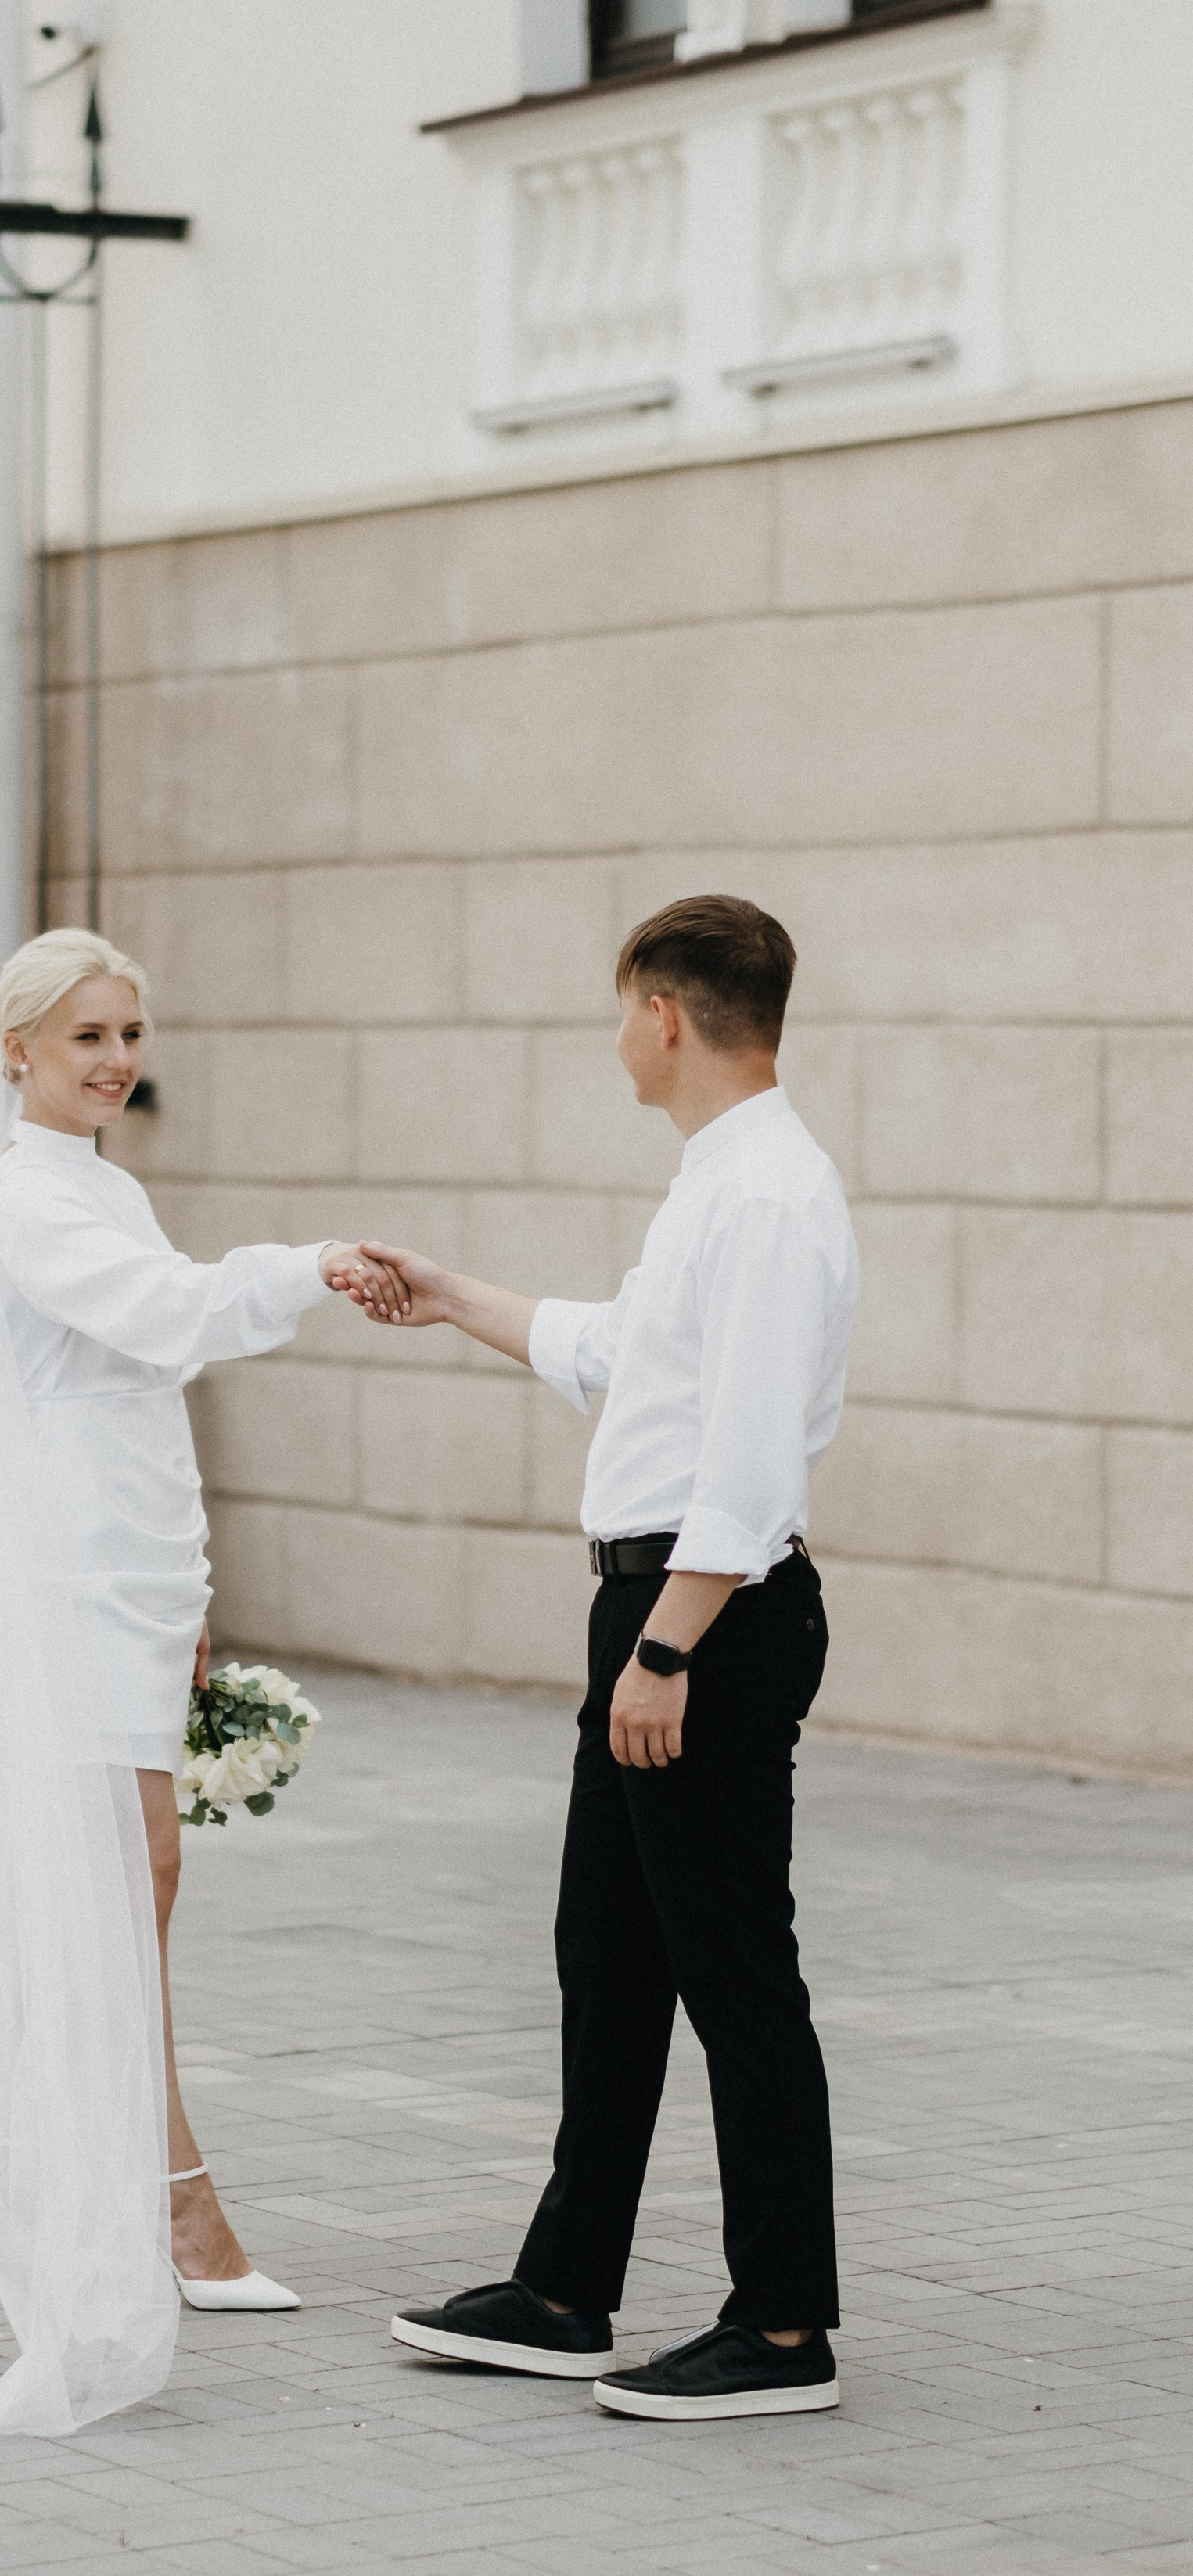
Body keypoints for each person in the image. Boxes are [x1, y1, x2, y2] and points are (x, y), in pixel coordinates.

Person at [367, 895, 859, 2421]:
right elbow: (616, 1358)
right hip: (655, 1618)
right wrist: (451, 1296)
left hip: (703, 1622)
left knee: (734, 1976)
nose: (615, 1036)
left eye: (618, 1008)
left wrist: (663, 1650)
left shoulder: (769, 1194)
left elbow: (751, 1465)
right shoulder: (717, 1186)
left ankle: (783, 2329)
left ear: (661, 1012)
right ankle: (567, 2287)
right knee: (611, 1955)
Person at [0, 927, 403, 2438]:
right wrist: (310, 1268)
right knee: (119, 1878)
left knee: (142, 1882)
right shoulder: (23, 1194)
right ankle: (160, 2199)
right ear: (16, 1050)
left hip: (133, 1572)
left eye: (130, 1034)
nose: (118, 1060)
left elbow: (137, 1398)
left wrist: (188, 1597)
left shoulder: (105, 1183)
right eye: (88, 1038)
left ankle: (156, 2183)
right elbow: (164, 1322)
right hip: (70, 1573)